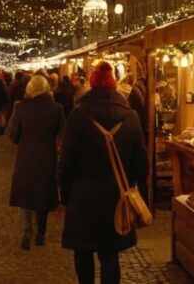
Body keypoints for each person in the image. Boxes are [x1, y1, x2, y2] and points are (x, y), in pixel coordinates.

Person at [59, 61, 148, 284]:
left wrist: (65, 196)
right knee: (110, 254)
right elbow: (141, 162)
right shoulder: (131, 117)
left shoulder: (78, 117)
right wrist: (136, 189)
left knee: (83, 252)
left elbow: (66, 162)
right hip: (115, 196)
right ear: (114, 85)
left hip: (83, 196)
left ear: (91, 85)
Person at [8, 75, 65, 250]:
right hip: (47, 157)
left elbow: (13, 135)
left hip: (26, 156)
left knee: (26, 195)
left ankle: (27, 230)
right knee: (43, 194)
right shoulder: (57, 108)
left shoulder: (21, 108)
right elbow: (63, 134)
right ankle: (41, 232)